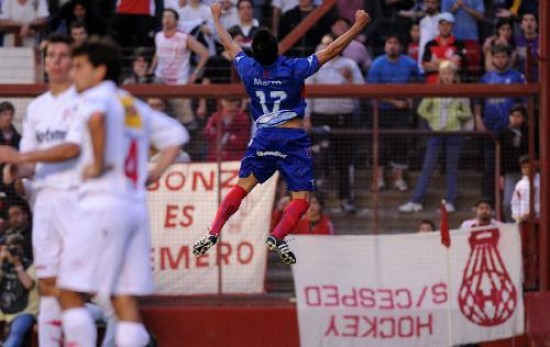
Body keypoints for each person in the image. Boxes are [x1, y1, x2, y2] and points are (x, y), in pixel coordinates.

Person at [192, 3, 370, 264]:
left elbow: (229, 44)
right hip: (292, 139)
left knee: (241, 188)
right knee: (301, 198)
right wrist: (358, 25)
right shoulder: (294, 67)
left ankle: (214, 230)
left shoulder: (248, 68)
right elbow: (332, 50)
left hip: (263, 137)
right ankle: (277, 235)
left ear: (255, 52)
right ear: (277, 48)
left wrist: (217, 18)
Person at [62, 36, 187, 346]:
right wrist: (153, 174)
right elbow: (177, 135)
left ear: (100, 70)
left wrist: (99, 162)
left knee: (68, 290)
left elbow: (96, 118)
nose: (72, 72)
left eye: (79, 66)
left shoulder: (95, 96)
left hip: (102, 203)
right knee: (123, 298)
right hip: (134, 206)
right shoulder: (132, 104)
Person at [0, 34, 79, 346]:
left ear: (72, 62)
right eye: (51, 56)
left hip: (76, 201)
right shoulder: (36, 108)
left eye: (62, 55)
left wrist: (20, 157)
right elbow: (29, 164)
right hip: (45, 205)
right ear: (44, 62)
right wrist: (14, 170)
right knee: (47, 287)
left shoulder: (84, 102)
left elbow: (71, 149)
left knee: (72, 290)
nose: (56, 61)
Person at [399, 61, 472, 213]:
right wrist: (432, 118)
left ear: (454, 75)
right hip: (437, 134)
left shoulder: (461, 92)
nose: (447, 76)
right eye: (444, 73)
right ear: (440, 75)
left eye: (449, 73)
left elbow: (467, 113)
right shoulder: (434, 90)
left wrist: (457, 115)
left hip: (454, 134)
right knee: (428, 167)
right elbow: (421, 109)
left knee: (451, 169)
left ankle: (450, 202)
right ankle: (416, 200)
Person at [305, 34, 364, 213]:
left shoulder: (349, 65)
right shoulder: (313, 65)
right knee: (317, 160)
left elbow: (363, 91)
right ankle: (317, 202)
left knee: (344, 161)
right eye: (324, 44)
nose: (328, 47)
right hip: (319, 118)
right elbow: (304, 93)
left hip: (343, 118)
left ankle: (346, 198)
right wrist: (306, 117)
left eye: (332, 44)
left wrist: (350, 80)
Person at [367, 34, 420, 191]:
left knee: (401, 144)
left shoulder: (410, 63)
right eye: (389, 43)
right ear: (385, 46)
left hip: (402, 111)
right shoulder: (377, 64)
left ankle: (399, 179)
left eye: (396, 43)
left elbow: (418, 82)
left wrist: (411, 99)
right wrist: (394, 101)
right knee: (379, 145)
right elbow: (372, 90)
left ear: (401, 47)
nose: (392, 46)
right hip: (380, 111)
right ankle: (379, 179)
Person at [0, 234, 39, 347]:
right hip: (3, 310)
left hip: (24, 310)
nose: (14, 252)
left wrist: (18, 265)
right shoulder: (3, 264)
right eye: (11, 248)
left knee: (16, 333)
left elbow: (28, 284)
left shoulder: (31, 265)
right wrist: (2, 263)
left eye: (17, 249)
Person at [498, 104, 529, 222]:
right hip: (510, 172)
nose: (515, 119)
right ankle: (510, 226)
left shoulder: (529, 132)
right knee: (507, 203)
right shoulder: (504, 132)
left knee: (526, 202)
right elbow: (501, 154)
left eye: (518, 116)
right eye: (512, 116)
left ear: (523, 118)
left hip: (526, 173)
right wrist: (501, 174)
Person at [511, 154, 540, 223]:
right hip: (523, 219)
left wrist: (533, 211)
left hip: (538, 217)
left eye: (529, 167)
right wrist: (516, 215)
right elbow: (515, 202)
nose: (527, 170)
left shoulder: (541, 181)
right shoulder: (519, 184)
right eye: (524, 167)